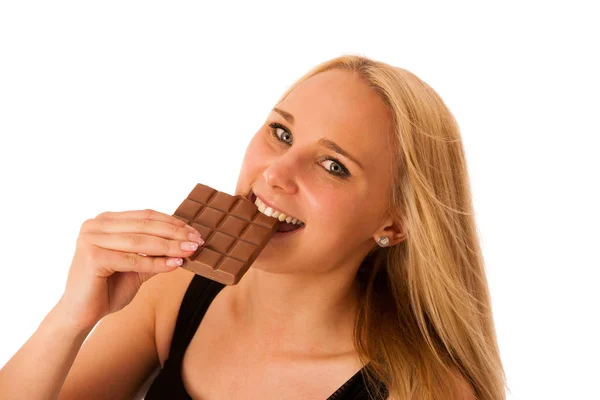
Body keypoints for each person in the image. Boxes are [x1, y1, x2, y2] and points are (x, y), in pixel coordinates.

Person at [0, 55, 507, 399]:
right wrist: (71, 317)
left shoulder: (422, 389)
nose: (276, 174)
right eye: (281, 133)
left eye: (334, 165)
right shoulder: (174, 296)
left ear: (393, 224)